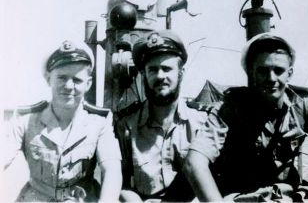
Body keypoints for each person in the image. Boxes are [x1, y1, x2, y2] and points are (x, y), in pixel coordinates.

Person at [183, 33, 308, 202]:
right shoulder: (230, 108)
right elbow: (194, 163)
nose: (271, 78)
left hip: (286, 195)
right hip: (241, 196)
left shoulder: (303, 104)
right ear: (251, 74)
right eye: (263, 71)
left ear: (290, 74)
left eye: (278, 70)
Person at [114, 30, 227, 202]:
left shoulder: (204, 123)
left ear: (180, 73)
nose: (160, 76)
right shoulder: (126, 126)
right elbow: (119, 184)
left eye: (167, 69)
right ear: (144, 74)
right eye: (153, 70)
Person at [4, 40, 122, 202]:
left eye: (77, 80)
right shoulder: (26, 119)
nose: (68, 86)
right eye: (62, 78)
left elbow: (112, 169)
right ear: (48, 79)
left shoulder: (99, 122)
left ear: (88, 84)